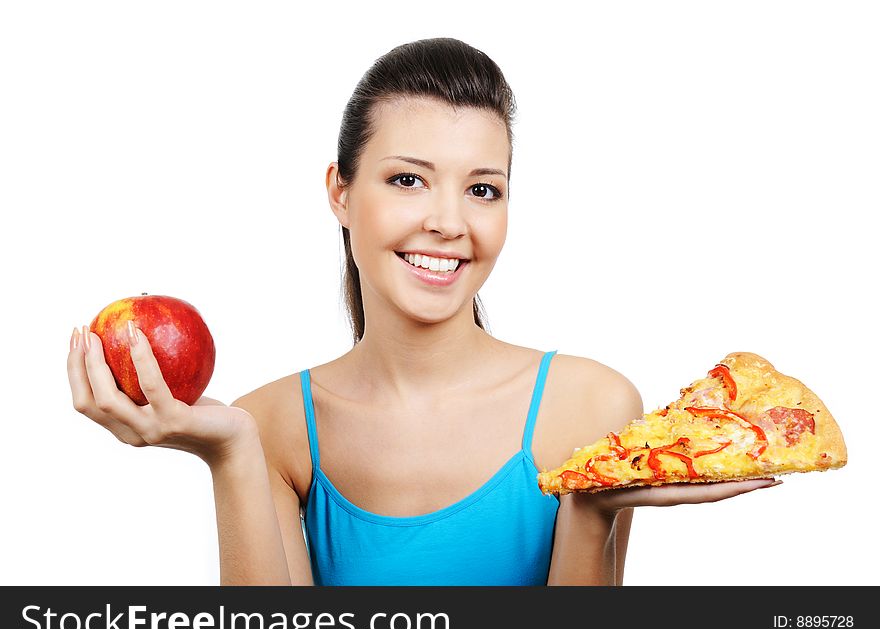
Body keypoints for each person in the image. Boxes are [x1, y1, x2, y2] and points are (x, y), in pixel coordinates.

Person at [67, 37, 777, 586]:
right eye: (408, 179)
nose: (447, 222)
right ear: (339, 192)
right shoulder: (271, 427)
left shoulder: (591, 406)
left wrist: (591, 509)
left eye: (483, 189)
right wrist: (228, 451)